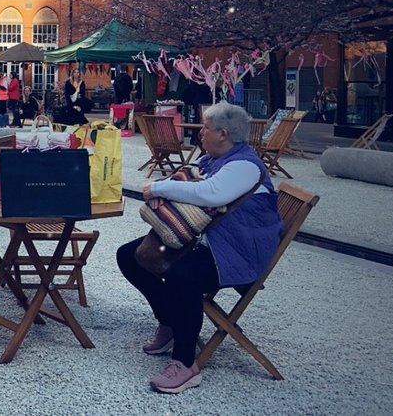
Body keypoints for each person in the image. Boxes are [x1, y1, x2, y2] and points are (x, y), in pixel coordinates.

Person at [116, 102, 283, 394]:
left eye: (206, 127)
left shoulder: (245, 165)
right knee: (129, 257)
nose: (200, 132)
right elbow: (188, 181)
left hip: (236, 251)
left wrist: (158, 189)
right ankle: (169, 321)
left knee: (182, 277)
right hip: (208, 241)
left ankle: (185, 364)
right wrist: (167, 190)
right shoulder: (214, 157)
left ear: (223, 134)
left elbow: (210, 194)